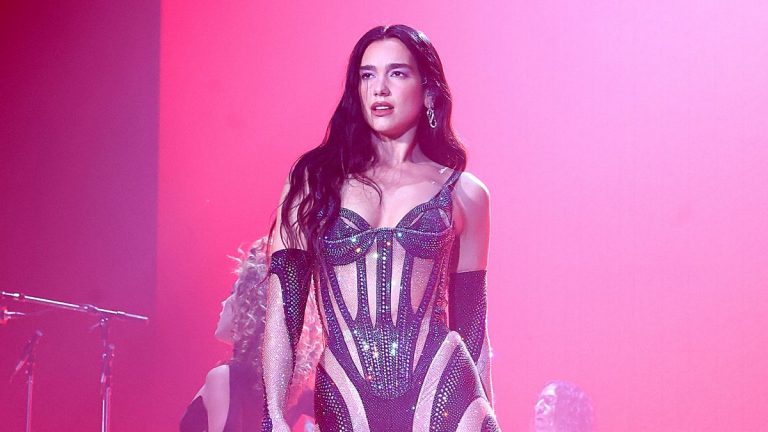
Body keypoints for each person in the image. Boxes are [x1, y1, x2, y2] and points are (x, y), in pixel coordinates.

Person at [262, 24, 499, 431]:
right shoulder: (313, 181)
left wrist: (490, 412)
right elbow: (283, 311)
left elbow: (473, 327)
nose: (380, 89)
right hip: (345, 398)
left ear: (429, 91)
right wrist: (273, 417)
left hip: (444, 392)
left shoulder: (466, 193)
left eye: (397, 73)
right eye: (367, 75)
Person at [181, 238, 319, 432]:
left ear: (250, 309)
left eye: (233, 293)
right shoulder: (293, 387)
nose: (223, 303)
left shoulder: (225, 377)